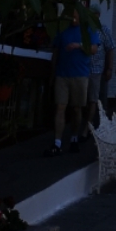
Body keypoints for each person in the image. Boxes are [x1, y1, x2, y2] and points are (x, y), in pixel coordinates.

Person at [47, 9, 100, 155]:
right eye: (71, 16)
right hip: (62, 74)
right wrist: (53, 72)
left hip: (80, 74)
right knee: (60, 107)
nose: (73, 19)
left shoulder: (88, 29)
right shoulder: (63, 29)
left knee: (76, 108)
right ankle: (57, 142)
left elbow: (94, 49)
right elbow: (56, 51)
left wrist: (79, 45)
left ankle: (74, 137)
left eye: (75, 16)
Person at [87, 20, 115, 122]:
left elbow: (110, 49)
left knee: (100, 97)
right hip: (84, 69)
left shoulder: (104, 30)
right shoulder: (84, 29)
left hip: (99, 70)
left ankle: (101, 122)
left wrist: (109, 68)